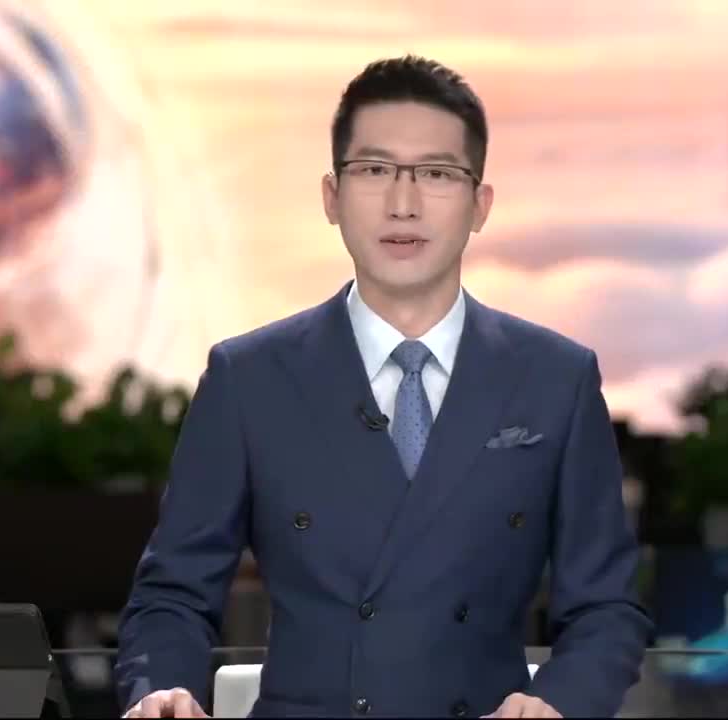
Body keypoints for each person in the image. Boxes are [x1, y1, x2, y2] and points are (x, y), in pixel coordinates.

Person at [116, 54, 652, 719]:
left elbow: (607, 609)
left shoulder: (555, 379)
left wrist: (558, 704)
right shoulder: (248, 379)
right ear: (331, 197)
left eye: (437, 173)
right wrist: (162, 689)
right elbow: (172, 594)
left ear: (480, 205)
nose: (403, 203)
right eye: (374, 170)